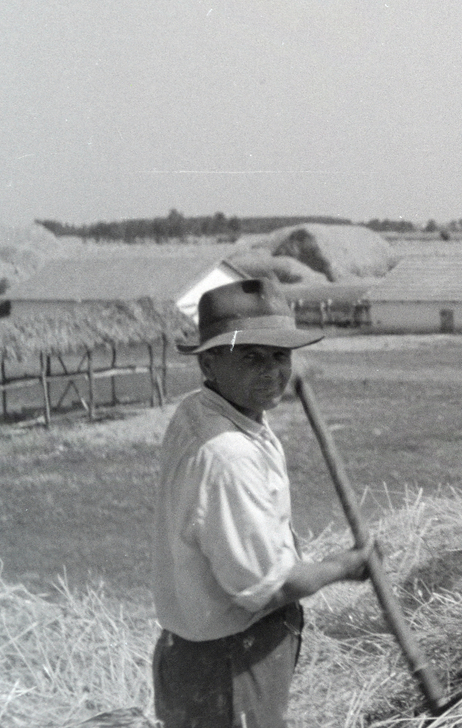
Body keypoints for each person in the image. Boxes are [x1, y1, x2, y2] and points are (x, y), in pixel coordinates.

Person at [152, 278, 371, 728]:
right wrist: (346, 566)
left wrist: (265, 373)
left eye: (280, 356)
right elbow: (268, 589)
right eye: (251, 357)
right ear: (208, 363)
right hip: (229, 664)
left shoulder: (201, 409)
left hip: (203, 653)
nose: (271, 372)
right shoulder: (227, 455)